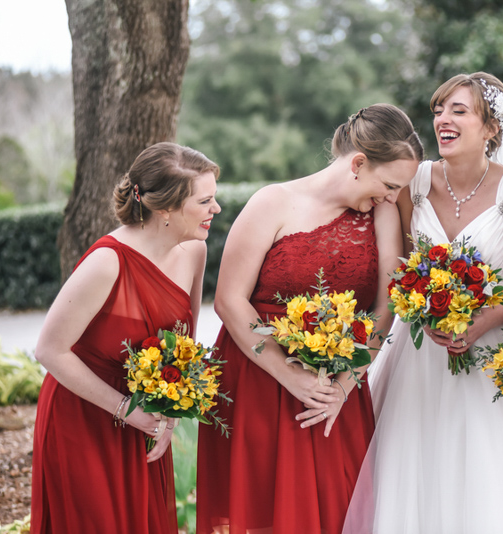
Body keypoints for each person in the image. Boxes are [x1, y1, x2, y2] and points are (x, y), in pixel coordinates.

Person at [343, 73, 503, 533]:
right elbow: (396, 268)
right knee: (413, 469)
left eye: (459, 110)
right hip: (419, 357)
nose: (443, 120)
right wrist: (419, 309)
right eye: (439, 110)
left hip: (493, 356)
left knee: (494, 473)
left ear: (492, 128)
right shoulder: (411, 183)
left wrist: (482, 322)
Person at [195, 103, 424, 534]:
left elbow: (385, 308)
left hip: (336, 388)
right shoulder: (273, 201)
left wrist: (341, 386)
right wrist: (290, 375)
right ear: (358, 163)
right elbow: (229, 300)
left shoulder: (383, 213)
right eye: (390, 184)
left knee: (338, 511)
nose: (394, 197)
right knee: (263, 512)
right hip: (258, 377)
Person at [31, 142, 221, 534]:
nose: (215, 210)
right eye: (205, 202)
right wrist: (127, 410)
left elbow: (182, 345)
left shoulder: (195, 252)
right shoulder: (107, 261)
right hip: (84, 415)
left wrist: (169, 412)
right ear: (165, 208)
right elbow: (49, 349)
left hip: (147, 413)